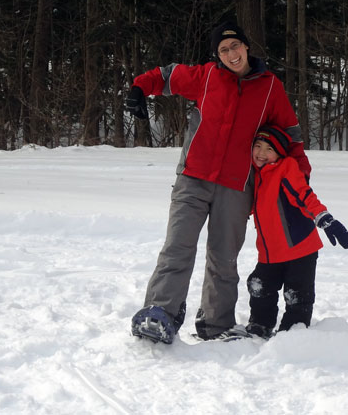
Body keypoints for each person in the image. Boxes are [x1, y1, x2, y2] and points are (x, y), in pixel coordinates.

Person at [126, 21, 312, 344]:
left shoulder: (270, 87)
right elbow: (167, 76)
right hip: (193, 177)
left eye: (235, 46)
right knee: (177, 247)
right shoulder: (207, 76)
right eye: (223, 50)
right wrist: (139, 88)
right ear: (218, 55)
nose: (230, 54)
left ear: (246, 47)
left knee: (224, 257)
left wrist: (299, 179)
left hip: (237, 186)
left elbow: (292, 138)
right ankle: (160, 313)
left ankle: (216, 324)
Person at [245, 125, 348, 339]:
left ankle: (294, 332)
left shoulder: (286, 169)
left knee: (297, 294)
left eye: (269, 149)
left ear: (279, 153)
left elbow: (303, 195)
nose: (261, 153)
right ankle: (260, 324)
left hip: (299, 249)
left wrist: (323, 217)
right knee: (259, 285)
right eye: (258, 146)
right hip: (269, 252)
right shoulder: (254, 177)